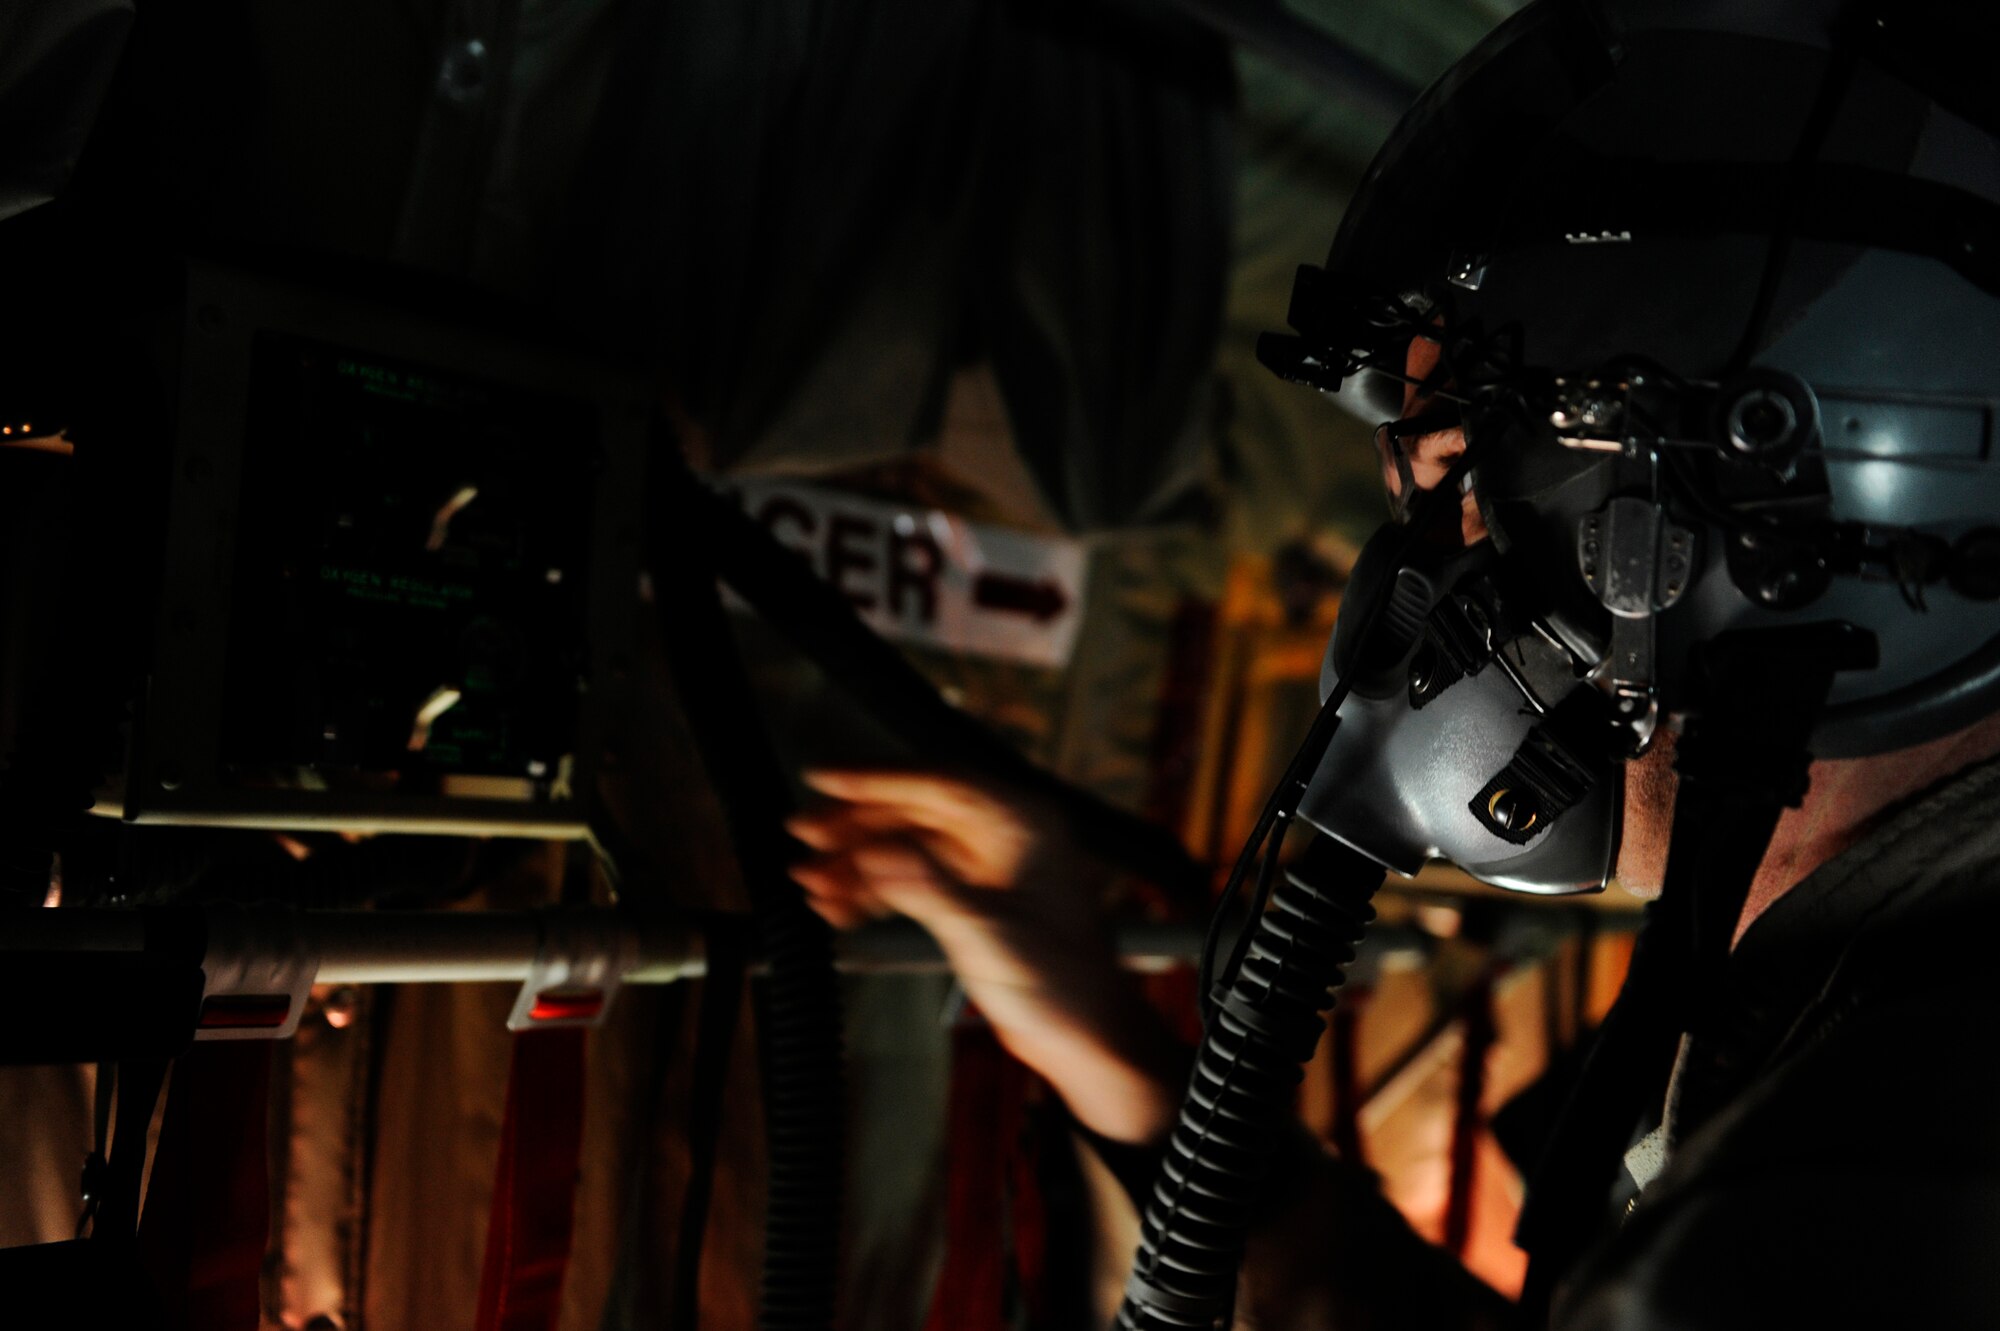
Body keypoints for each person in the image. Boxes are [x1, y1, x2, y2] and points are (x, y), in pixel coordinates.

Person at [794, 2, 2000, 1326]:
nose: (1428, 583)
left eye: (1461, 489)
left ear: (1739, 534)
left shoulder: (1861, 1193)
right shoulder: (1867, 1068)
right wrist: (1113, 1054)